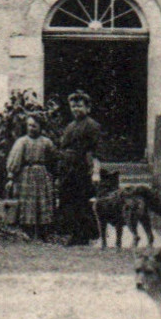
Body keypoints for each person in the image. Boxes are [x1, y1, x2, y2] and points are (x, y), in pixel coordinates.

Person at [56, 92, 103, 246]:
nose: (76, 109)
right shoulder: (70, 126)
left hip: (82, 167)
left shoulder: (92, 125)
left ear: (88, 108)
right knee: (69, 200)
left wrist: (94, 171)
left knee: (82, 201)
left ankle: (84, 235)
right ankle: (74, 233)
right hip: (68, 168)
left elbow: (94, 151)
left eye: (80, 106)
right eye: (73, 106)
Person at [5, 114, 56, 240]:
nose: (31, 128)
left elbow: (53, 159)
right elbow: (14, 160)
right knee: (28, 202)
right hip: (26, 174)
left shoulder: (46, 142)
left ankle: (43, 231)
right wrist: (11, 177)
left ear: (40, 127)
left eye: (34, 126)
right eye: (29, 125)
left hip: (42, 173)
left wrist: (52, 174)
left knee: (42, 200)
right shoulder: (22, 141)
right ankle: (27, 230)